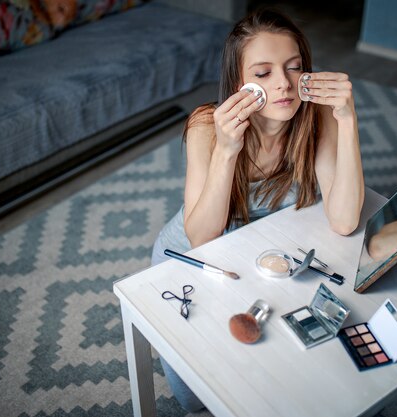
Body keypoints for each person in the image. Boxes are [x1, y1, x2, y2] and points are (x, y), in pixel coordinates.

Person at [150, 8, 365, 412]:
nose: (283, 84)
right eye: (263, 73)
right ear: (238, 83)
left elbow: (344, 219)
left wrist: (348, 118)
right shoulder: (205, 127)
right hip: (192, 256)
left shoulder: (318, 115)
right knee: (195, 398)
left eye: (294, 67)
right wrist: (227, 150)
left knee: (264, 370)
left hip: (263, 250)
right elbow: (201, 238)